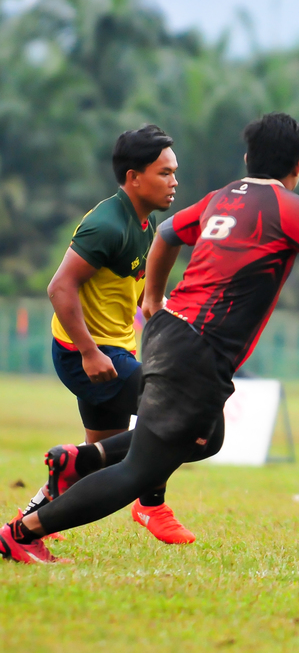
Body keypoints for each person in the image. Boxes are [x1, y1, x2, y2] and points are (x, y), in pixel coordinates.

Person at [1, 113, 299, 564]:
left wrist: (154, 299)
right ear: (297, 165)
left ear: (246, 158)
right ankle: (22, 532)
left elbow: (168, 232)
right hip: (197, 348)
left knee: (207, 435)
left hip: (172, 332)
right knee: (140, 471)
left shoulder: (222, 197)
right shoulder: (291, 209)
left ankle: (85, 458)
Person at [11, 125, 196, 545]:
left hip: (113, 349)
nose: (174, 182)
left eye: (174, 172)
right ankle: (151, 507)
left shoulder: (146, 223)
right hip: (89, 354)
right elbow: (59, 287)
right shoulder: (107, 225)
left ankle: (32, 519)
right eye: (164, 173)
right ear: (134, 177)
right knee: (171, 417)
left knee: (94, 459)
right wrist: (91, 353)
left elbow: (141, 296)